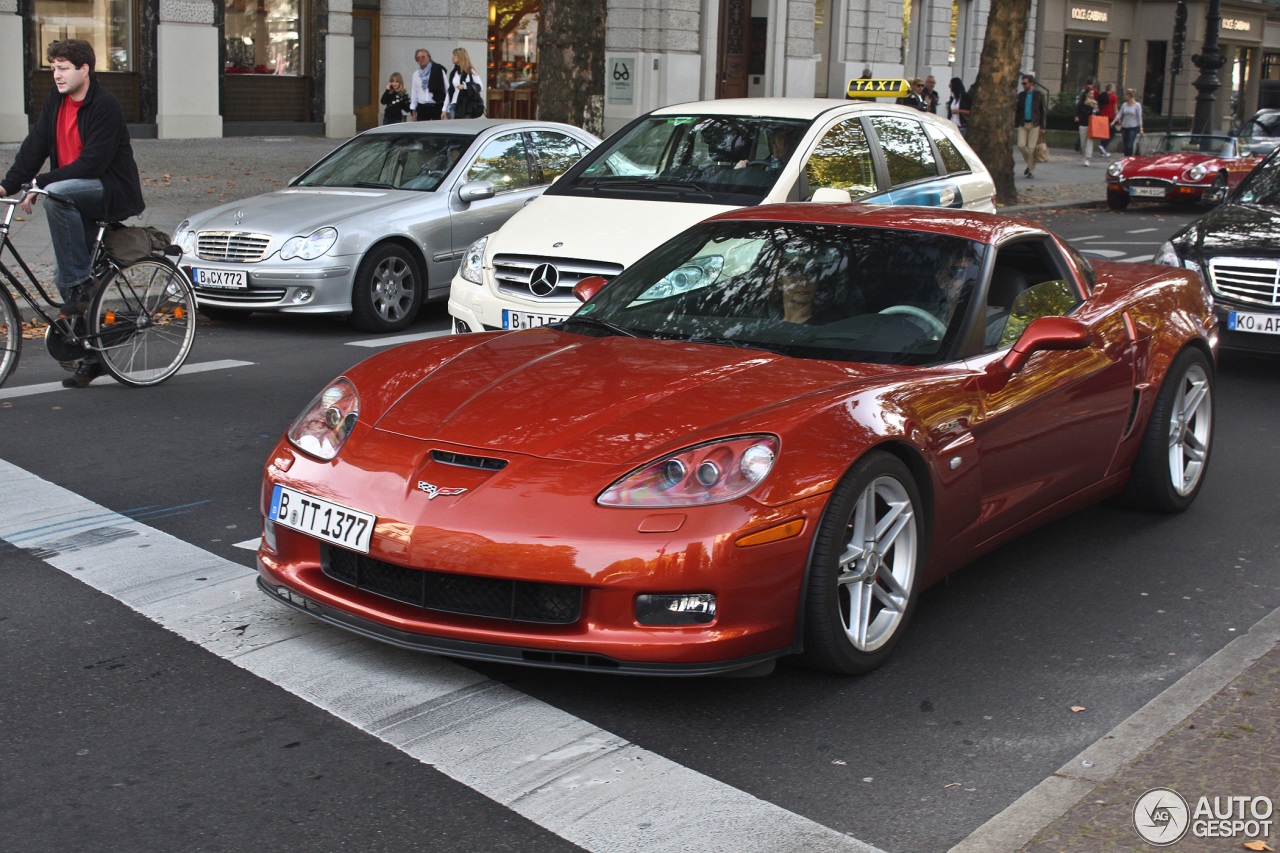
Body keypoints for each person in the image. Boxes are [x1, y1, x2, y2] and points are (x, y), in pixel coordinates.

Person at [0, 38, 144, 388]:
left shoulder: (104, 105)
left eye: (63, 68)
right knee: (71, 264)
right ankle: (90, 356)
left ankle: (77, 287)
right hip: (70, 189)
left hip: (107, 188)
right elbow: (34, 146)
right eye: (53, 68)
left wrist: (42, 183)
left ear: (84, 70)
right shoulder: (57, 100)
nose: (57, 75)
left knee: (57, 201)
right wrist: (8, 185)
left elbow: (92, 162)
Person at [1014, 75, 1047, 178]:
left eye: (1025, 83)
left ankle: (1031, 170)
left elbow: (1043, 111)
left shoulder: (1039, 95)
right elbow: (1018, 110)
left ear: (1031, 83)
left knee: (1032, 148)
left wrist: (1043, 126)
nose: (1023, 85)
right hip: (1023, 123)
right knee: (1020, 145)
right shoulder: (1021, 95)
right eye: (1022, 83)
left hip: (1035, 124)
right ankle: (1029, 164)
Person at [444, 48, 485, 119]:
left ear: (460, 57)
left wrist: (465, 86)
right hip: (454, 104)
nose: (452, 57)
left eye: (455, 55)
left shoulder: (471, 71)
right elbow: (450, 90)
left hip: (466, 106)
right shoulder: (454, 73)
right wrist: (444, 109)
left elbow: (480, 87)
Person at [409, 49, 446, 121]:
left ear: (428, 58)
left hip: (436, 106)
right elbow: (414, 93)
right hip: (422, 108)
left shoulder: (438, 70)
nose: (421, 59)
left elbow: (446, 89)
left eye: (423, 57)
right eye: (418, 58)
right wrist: (413, 114)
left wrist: (446, 109)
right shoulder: (416, 74)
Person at [1114, 89, 1144, 156]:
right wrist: (1114, 121)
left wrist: (1141, 128)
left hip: (1133, 127)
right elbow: (1120, 114)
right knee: (1125, 145)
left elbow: (1139, 117)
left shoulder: (1137, 105)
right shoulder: (1124, 105)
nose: (1124, 96)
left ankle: (1129, 157)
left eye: (1125, 95)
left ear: (1129, 95)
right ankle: (1126, 158)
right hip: (1124, 126)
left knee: (1129, 145)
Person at [1077, 91, 1098, 166]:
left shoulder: (1094, 103)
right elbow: (1079, 112)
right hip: (1083, 124)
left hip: (1091, 125)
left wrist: (1094, 107)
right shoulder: (1082, 104)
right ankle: (1084, 156)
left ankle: (1087, 158)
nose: (1091, 95)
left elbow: (1098, 113)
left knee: (1090, 142)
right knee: (1083, 143)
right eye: (1090, 93)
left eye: (1092, 93)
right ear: (1086, 94)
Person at [1096, 83, 1117, 158]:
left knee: (1103, 133)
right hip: (1111, 116)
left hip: (1103, 116)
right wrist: (1118, 118)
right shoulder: (1114, 97)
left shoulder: (1102, 96)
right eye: (1114, 88)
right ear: (1111, 89)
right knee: (1113, 131)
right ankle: (1103, 146)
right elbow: (1115, 108)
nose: (1114, 90)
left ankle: (1102, 150)